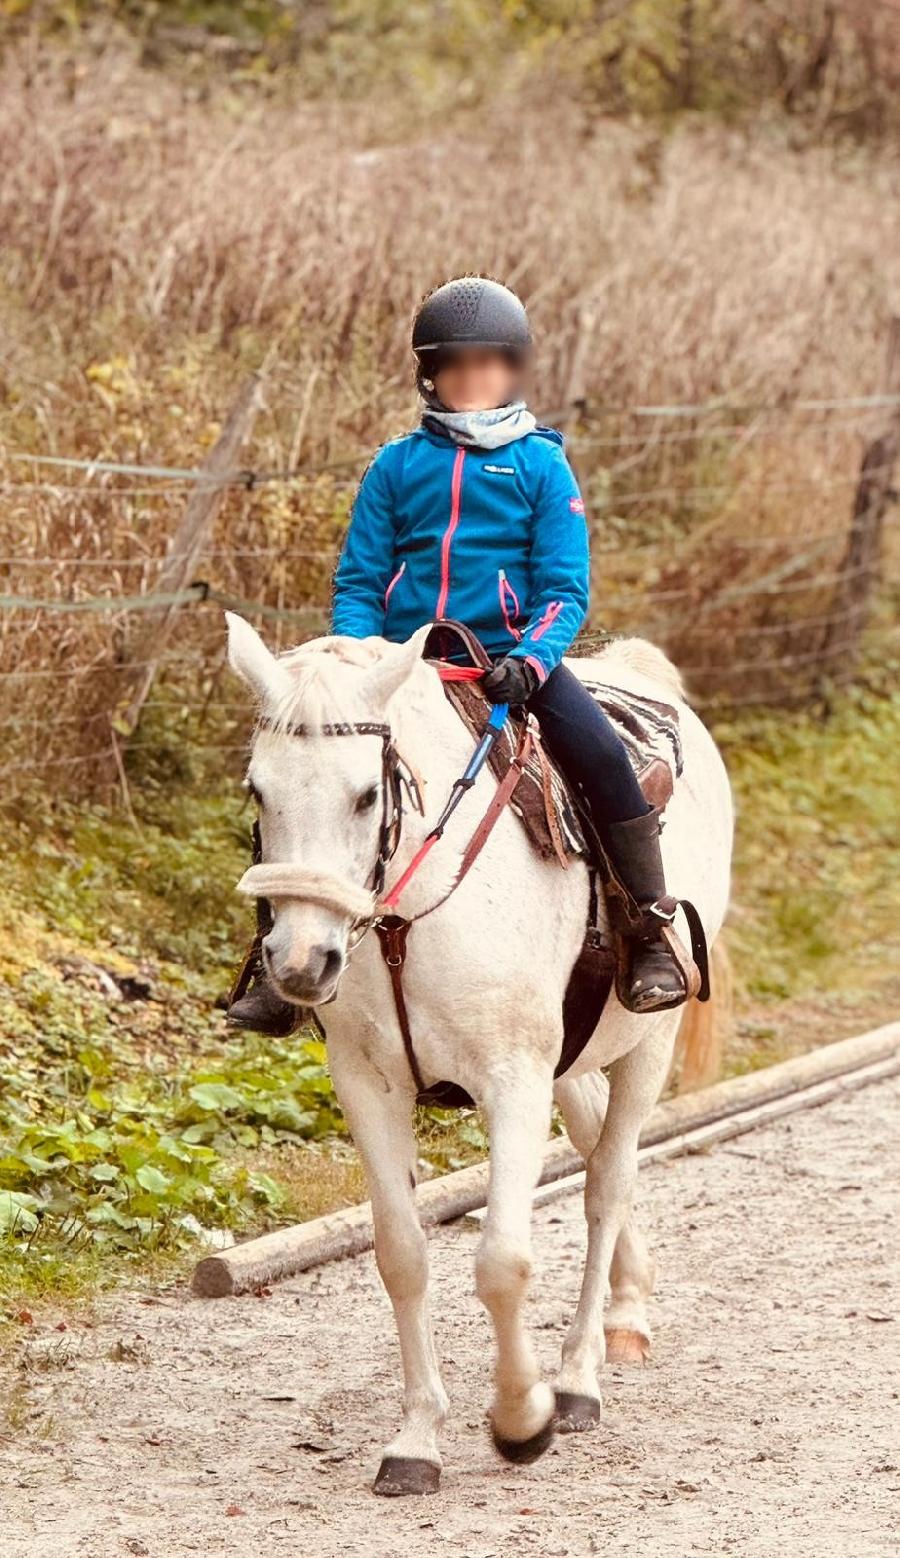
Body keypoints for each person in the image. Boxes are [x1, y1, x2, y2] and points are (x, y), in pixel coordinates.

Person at [229, 276, 691, 1033]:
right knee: (308, 780)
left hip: (509, 662)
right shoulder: (395, 466)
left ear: (512, 368)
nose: (473, 379)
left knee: (606, 760)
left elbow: (565, 590)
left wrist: (533, 662)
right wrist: (358, 658)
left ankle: (646, 933)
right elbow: (360, 579)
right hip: (402, 670)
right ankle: (275, 962)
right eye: (455, 366)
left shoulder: (542, 467)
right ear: (430, 374)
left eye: (489, 364)